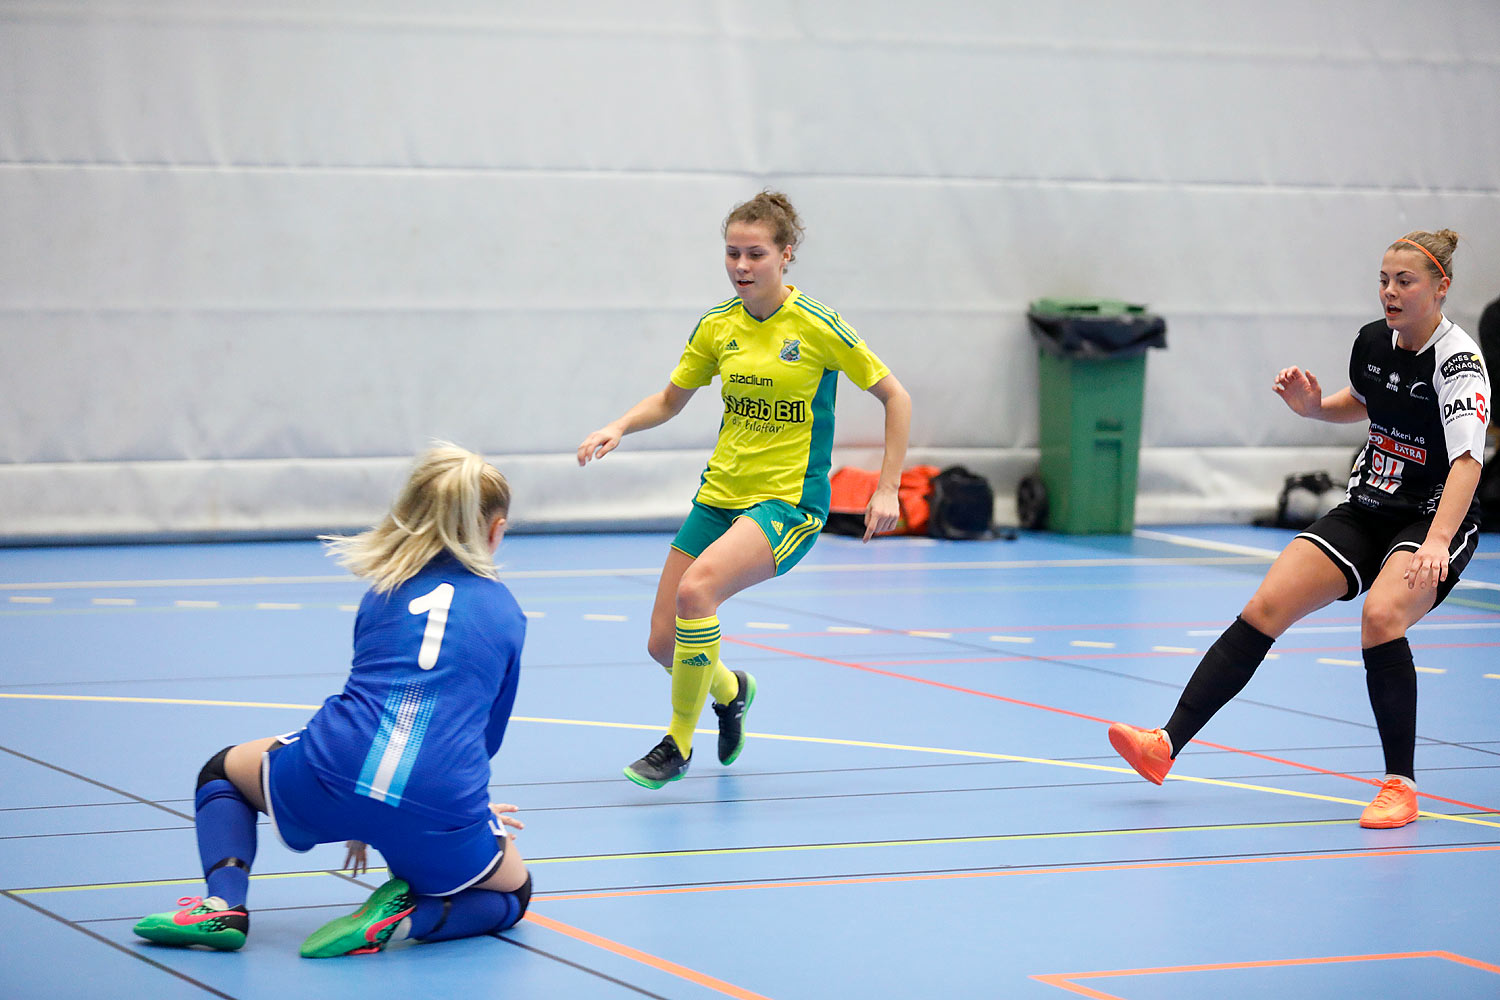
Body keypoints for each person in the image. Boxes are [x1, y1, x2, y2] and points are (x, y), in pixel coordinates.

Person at [1108, 229, 1489, 829]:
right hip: (1369, 504)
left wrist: (1438, 540)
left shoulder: (1459, 364)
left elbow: (1469, 459)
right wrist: (1314, 408)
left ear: (1441, 287)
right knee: (1266, 604)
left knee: (1381, 617)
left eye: (1405, 281)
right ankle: (1165, 745)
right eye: (1384, 280)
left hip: (1434, 513)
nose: (1390, 291)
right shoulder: (1372, 341)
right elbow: (1365, 401)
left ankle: (1400, 786)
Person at [134, 444, 533, 956]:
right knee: (514, 894)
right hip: (439, 795)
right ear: (496, 530)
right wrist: (463, 808)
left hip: (333, 767)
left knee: (222, 771)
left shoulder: (385, 590)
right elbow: (484, 739)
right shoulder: (506, 613)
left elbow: (377, 698)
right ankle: (406, 919)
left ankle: (222, 907)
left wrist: (363, 811)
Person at [577, 190, 912, 789]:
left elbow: (896, 397)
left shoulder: (817, 327)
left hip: (788, 502)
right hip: (720, 494)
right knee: (661, 643)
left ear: (785, 256)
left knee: (697, 592)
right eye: (732, 253)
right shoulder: (717, 326)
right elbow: (669, 400)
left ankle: (677, 744)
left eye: (755, 254)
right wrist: (618, 425)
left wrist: (886, 489)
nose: (741, 266)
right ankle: (732, 693)